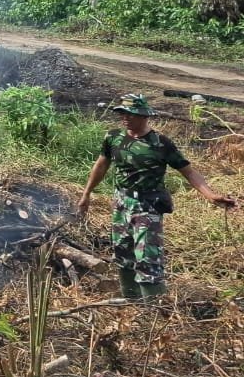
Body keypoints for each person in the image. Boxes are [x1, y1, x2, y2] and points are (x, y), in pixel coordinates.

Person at [77, 93, 236, 299]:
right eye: (122, 113)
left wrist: (210, 195)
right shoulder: (113, 137)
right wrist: (86, 193)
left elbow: (188, 171)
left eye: (130, 114)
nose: (125, 118)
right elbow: (101, 165)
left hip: (147, 206)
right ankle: (131, 303)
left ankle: (154, 313)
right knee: (123, 254)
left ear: (143, 116)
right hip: (121, 203)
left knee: (147, 260)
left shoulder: (160, 143)